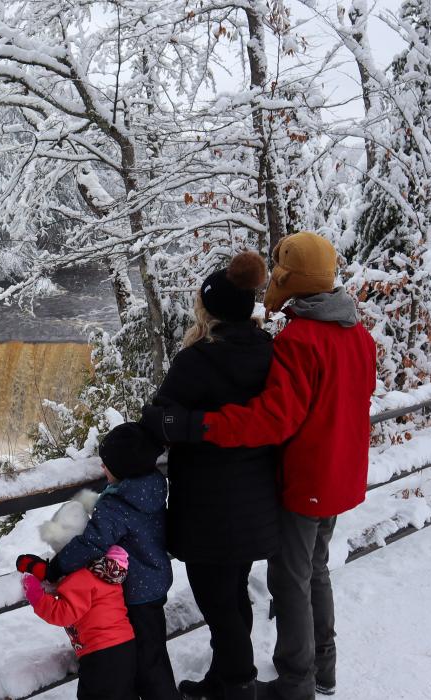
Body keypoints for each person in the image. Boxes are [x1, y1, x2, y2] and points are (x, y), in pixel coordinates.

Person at [142, 232, 377, 700]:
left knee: (289, 580)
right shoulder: (358, 335)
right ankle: (323, 668)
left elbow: (272, 419)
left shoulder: (300, 340)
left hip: (305, 479)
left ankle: (295, 683)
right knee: (315, 570)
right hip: (341, 474)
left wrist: (197, 425)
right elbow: (356, 400)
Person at [147, 251, 281, 700]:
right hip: (255, 502)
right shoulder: (269, 352)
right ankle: (223, 681)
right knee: (233, 595)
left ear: (209, 311)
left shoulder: (197, 361)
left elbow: (159, 419)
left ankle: (239, 686)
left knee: (219, 604)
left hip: (208, 509)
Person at [18, 422, 178, 700]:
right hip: (155, 581)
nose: (102, 467)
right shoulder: (150, 486)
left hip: (135, 593)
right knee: (151, 654)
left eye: (107, 464)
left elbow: (91, 542)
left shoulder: (117, 506)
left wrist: (55, 568)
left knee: (147, 664)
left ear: (124, 469)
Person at [21, 545, 138, 700]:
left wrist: (37, 597)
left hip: (101, 653)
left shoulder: (81, 577)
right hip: (125, 646)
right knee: (123, 693)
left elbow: (63, 613)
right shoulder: (105, 572)